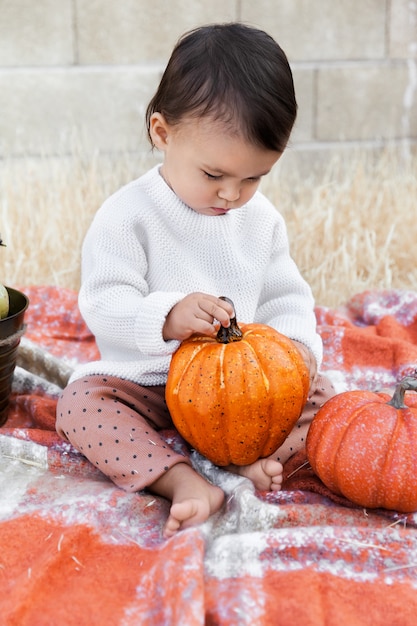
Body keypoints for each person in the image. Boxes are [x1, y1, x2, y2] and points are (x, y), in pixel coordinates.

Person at [56, 22, 335, 538]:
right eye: (214, 175)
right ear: (163, 133)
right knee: (78, 405)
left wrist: (295, 353)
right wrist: (166, 317)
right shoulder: (128, 216)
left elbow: (285, 296)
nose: (232, 194)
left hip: (241, 396)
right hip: (149, 381)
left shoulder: (262, 220)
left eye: (252, 178)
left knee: (326, 401)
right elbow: (103, 300)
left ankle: (248, 458)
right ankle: (180, 478)